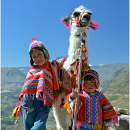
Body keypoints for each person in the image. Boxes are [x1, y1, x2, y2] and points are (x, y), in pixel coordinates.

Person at [12, 36, 66, 130]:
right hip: (29, 103)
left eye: (39, 54)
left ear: (45, 53)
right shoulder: (32, 70)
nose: (37, 58)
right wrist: (27, 105)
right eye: (34, 56)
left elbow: (64, 60)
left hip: (44, 104)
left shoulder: (52, 65)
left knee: (39, 126)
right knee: (28, 127)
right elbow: (26, 89)